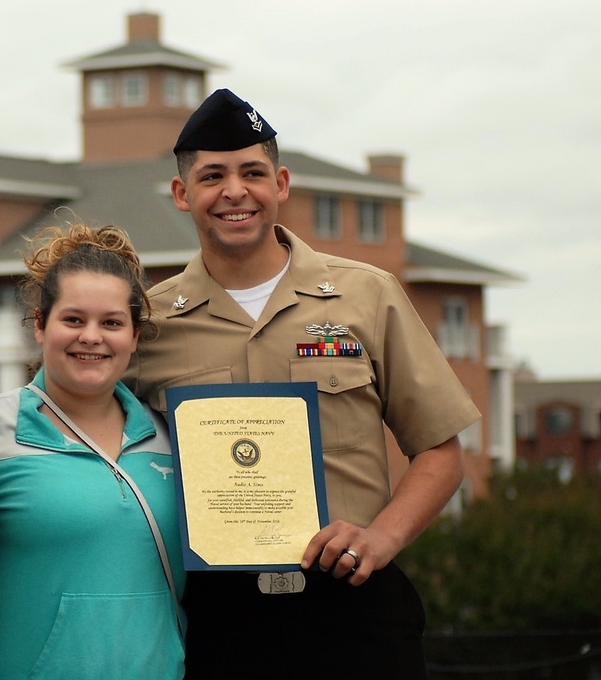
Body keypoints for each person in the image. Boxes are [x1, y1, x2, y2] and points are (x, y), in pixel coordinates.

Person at [123, 89, 482, 678]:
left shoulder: (367, 295)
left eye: (252, 172)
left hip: (355, 611)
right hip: (216, 621)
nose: (234, 191)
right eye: (212, 175)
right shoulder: (149, 324)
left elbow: (440, 451)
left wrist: (381, 539)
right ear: (182, 195)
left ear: (282, 184)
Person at [0, 223, 185, 680]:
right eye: (73, 319)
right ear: (39, 325)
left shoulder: (173, 436)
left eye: (111, 323)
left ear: (134, 336)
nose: (91, 336)